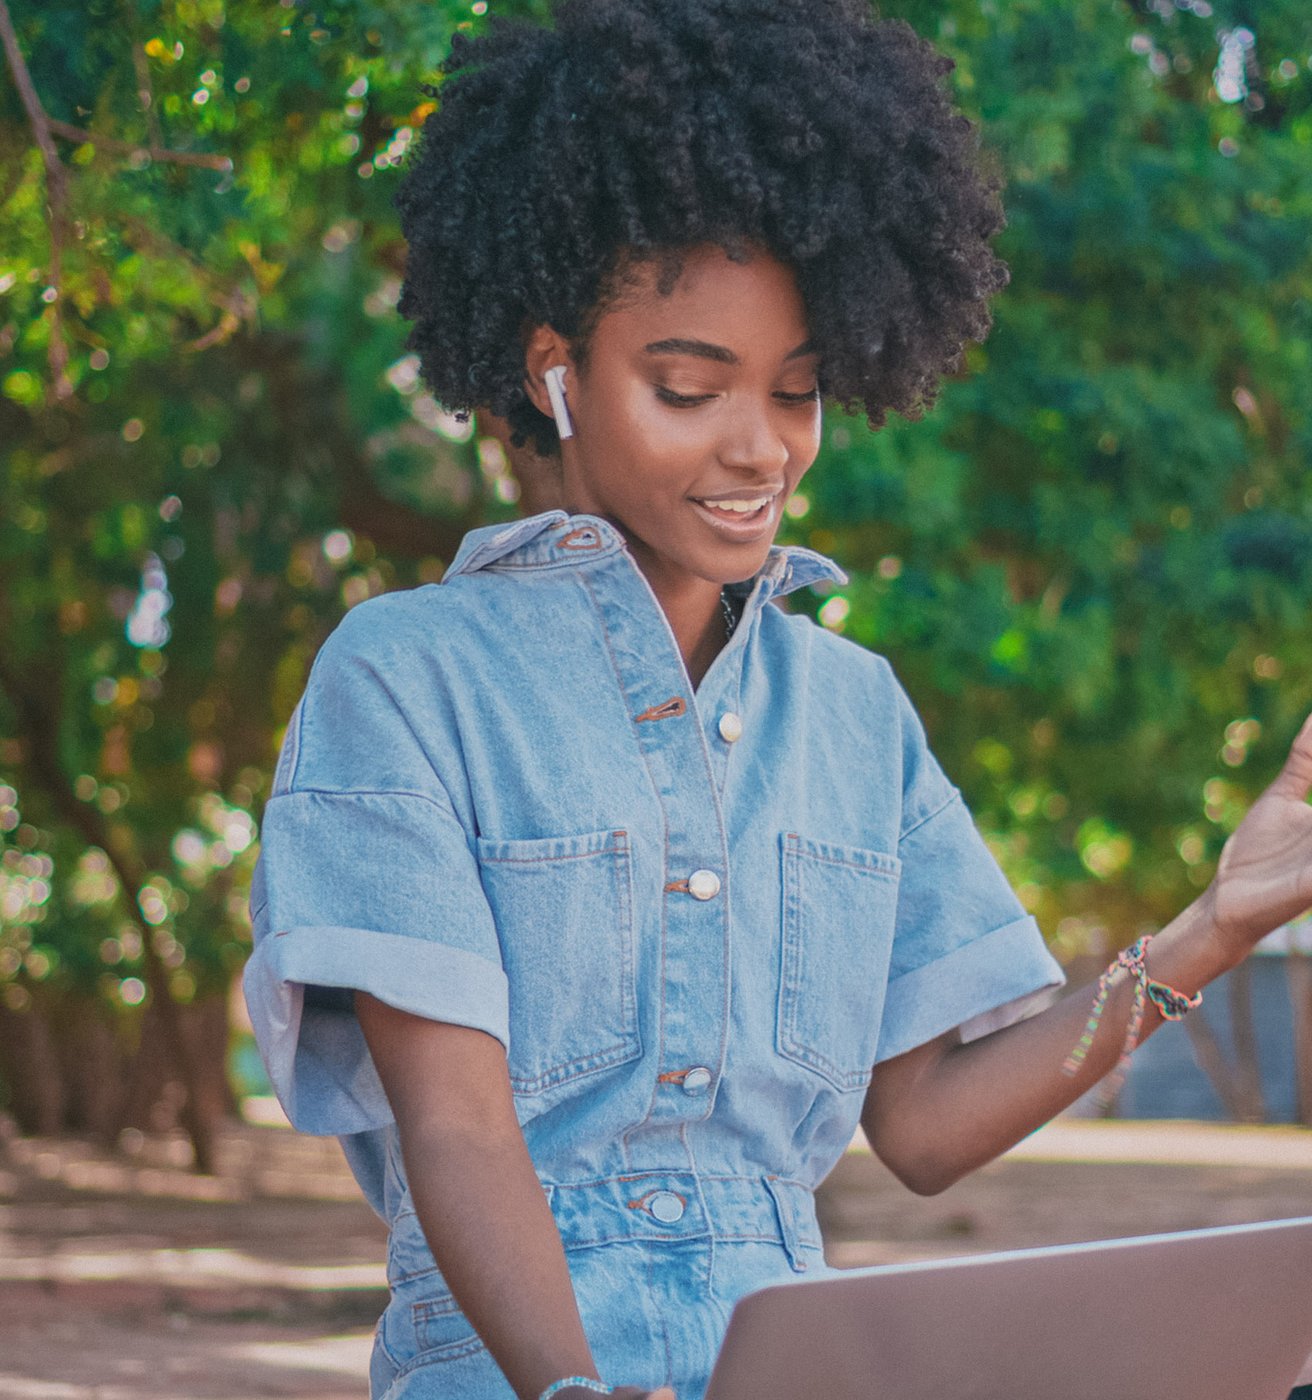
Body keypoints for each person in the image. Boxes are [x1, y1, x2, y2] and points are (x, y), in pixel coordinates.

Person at [242, 2, 1312, 1398]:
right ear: (554, 369)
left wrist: (1216, 926)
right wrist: (571, 1392)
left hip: (797, 1361)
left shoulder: (855, 713)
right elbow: (458, 1129)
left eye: (800, 393)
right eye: (689, 389)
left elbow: (924, 1126)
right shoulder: (406, 677)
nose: (760, 449)